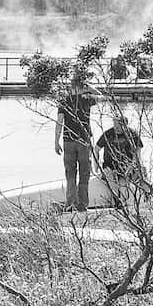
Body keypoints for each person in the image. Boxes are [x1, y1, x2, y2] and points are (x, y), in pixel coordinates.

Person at [54, 85, 94, 214]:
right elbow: (104, 96)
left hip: (68, 140)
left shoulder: (64, 101)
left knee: (70, 173)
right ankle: (82, 204)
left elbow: (59, 122)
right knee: (84, 173)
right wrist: (88, 88)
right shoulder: (87, 99)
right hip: (83, 140)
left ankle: (70, 202)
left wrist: (56, 141)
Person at [95, 117, 144, 206]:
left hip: (125, 166)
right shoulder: (108, 133)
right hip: (109, 166)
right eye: (115, 124)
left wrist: (131, 166)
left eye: (119, 125)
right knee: (111, 179)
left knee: (123, 183)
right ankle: (116, 201)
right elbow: (96, 148)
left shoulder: (132, 134)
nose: (116, 127)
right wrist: (96, 165)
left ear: (125, 125)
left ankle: (125, 202)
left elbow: (138, 152)